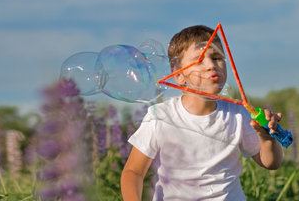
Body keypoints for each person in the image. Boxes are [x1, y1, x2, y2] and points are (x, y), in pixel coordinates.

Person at [121, 25, 283, 200]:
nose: (211, 65)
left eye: (216, 57)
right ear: (178, 74)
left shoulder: (238, 113)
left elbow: (271, 163)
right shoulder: (160, 116)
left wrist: (267, 139)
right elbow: (133, 171)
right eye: (199, 61)